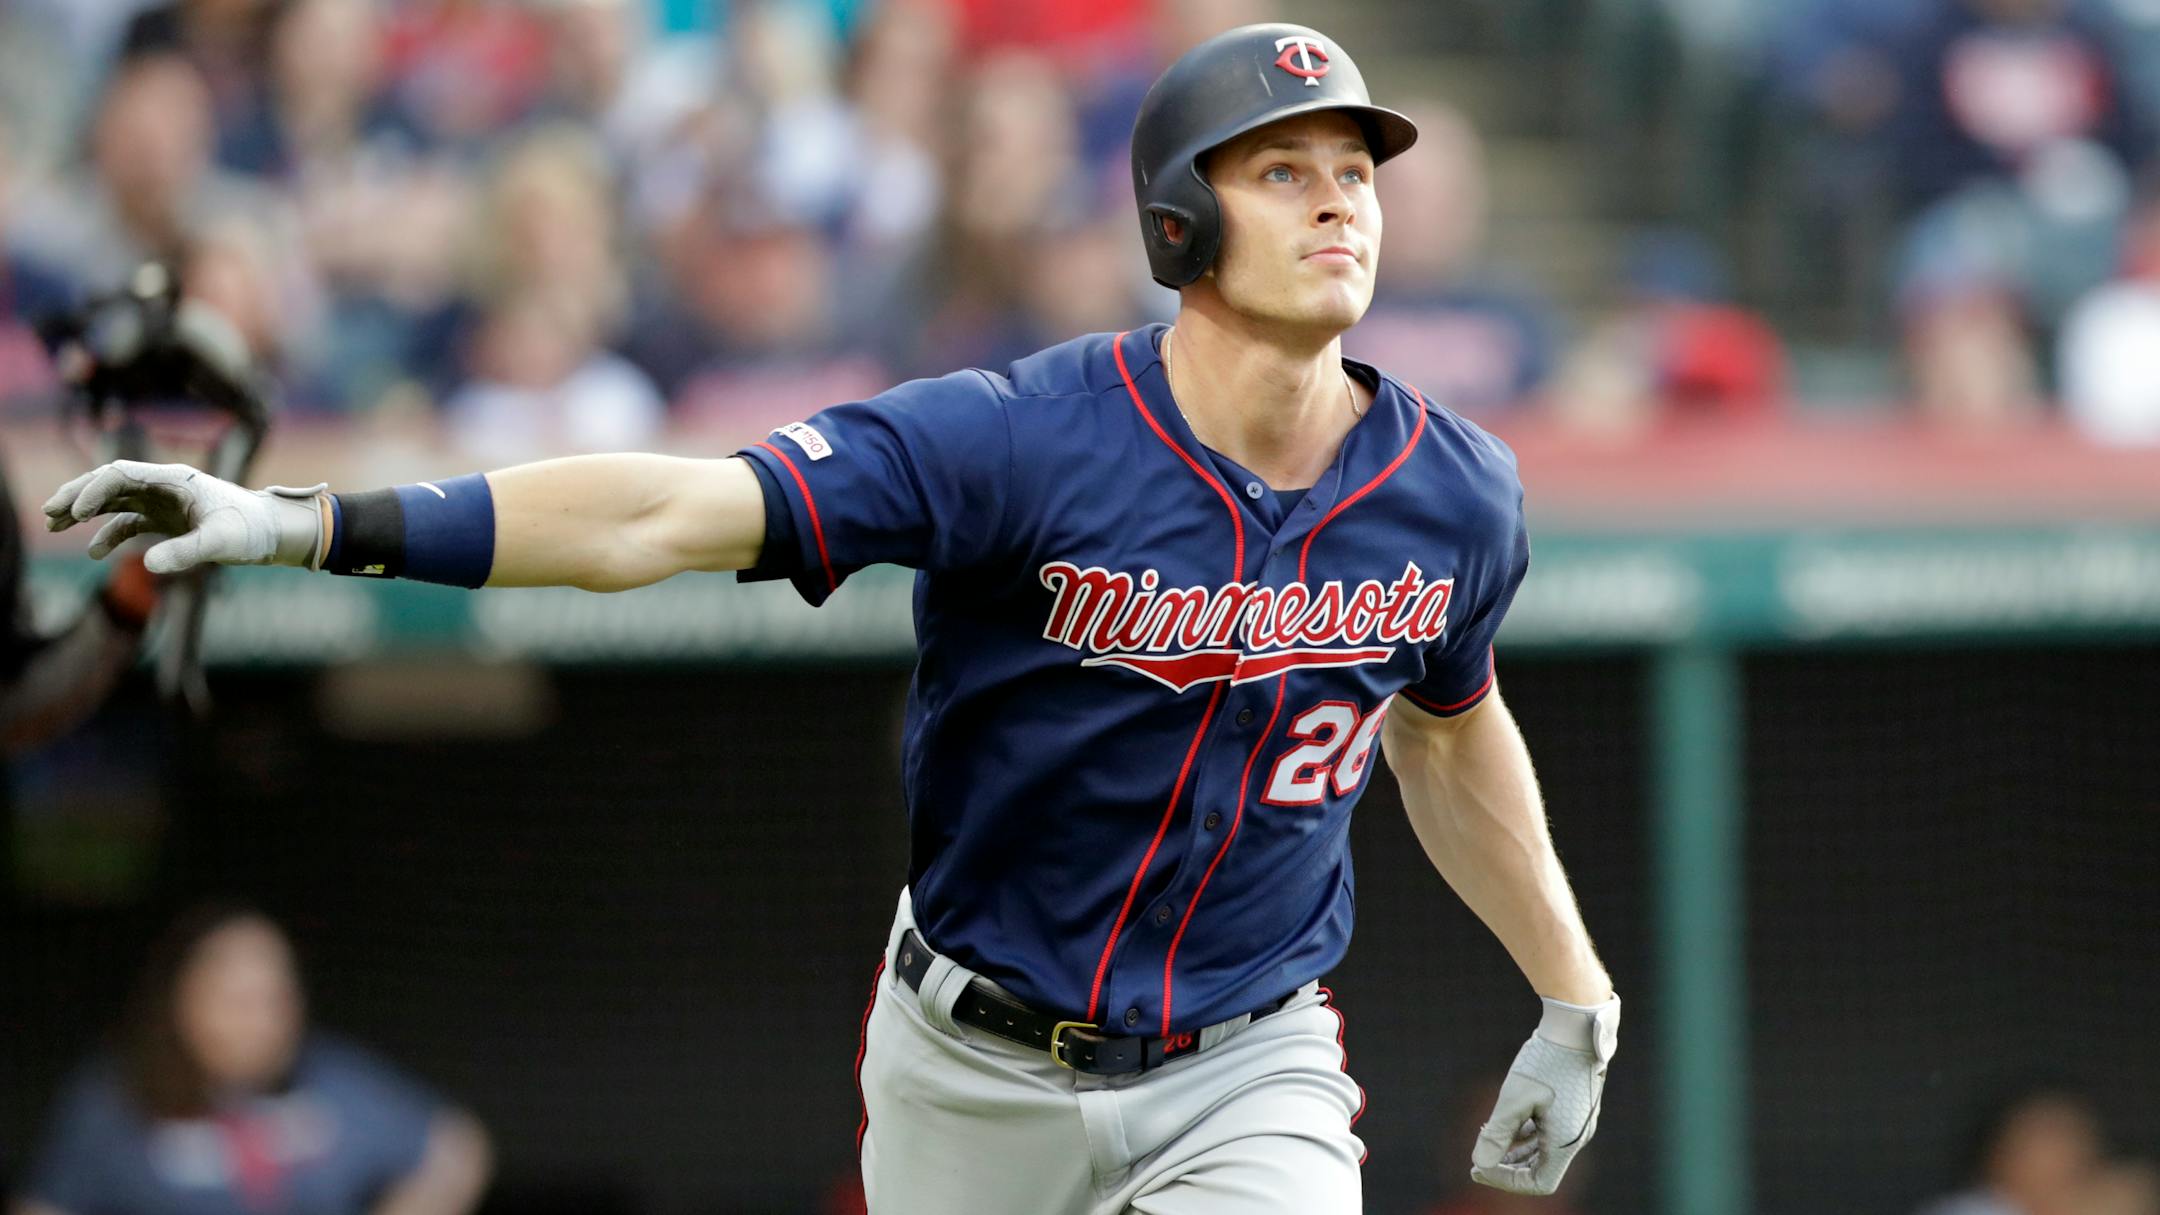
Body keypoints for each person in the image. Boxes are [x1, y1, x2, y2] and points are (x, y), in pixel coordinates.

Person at [43, 24, 1619, 1211]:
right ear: (1177, 226)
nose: (1340, 201)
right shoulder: (1018, 437)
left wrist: (1573, 985)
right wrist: (306, 523)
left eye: (1356, 172)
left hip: (1250, 1059)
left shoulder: (1451, 489)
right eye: (1285, 168)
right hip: (973, 1063)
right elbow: (661, 513)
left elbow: (1451, 729)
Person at [9, 904, 491, 1215]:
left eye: (275, 998)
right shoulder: (114, 1095)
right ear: (181, 1001)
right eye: (237, 1000)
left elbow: (455, 1146)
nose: (260, 1020)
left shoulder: (327, 1076)